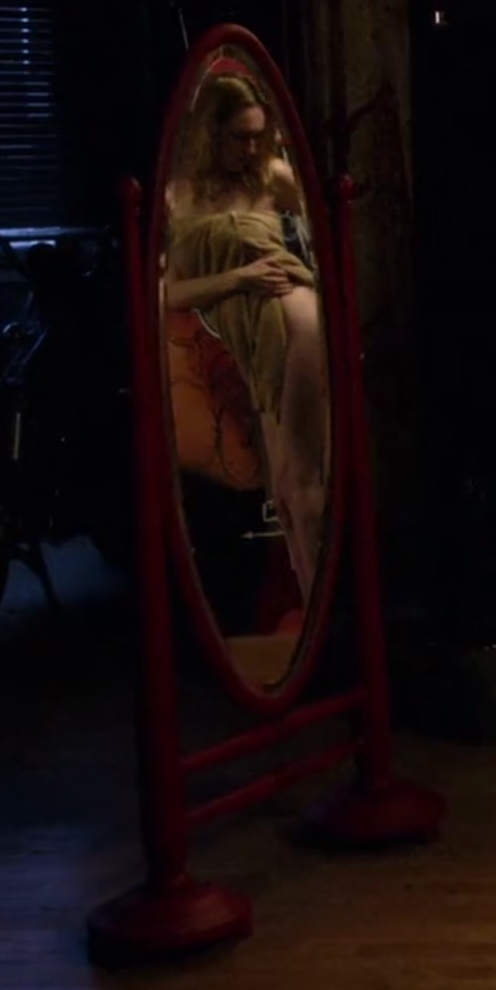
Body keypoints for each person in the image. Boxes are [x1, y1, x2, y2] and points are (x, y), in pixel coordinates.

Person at [161, 72, 329, 607]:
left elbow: (331, 234)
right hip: (245, 338)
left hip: (296, 317)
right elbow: (168, 294)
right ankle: (314, 614)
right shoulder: (179, 196)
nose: (252, 149)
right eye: (240, 137)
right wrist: (239, 278)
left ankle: (322, 612)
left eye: (259, 136)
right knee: (281, 487)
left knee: (302, 479)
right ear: (211, 134)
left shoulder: (272, 176)